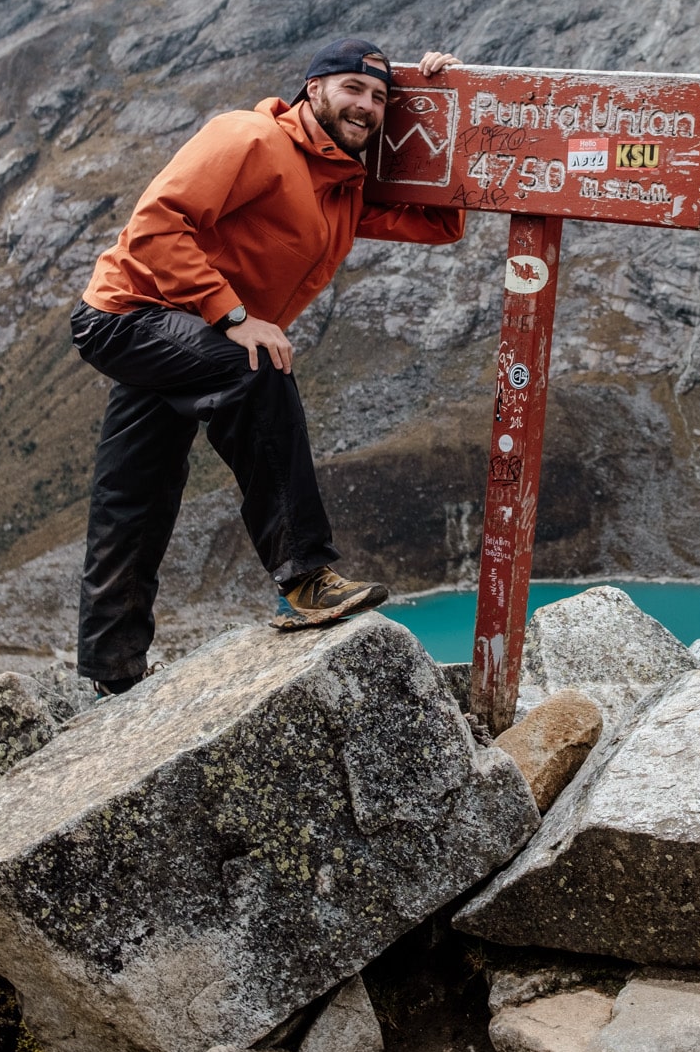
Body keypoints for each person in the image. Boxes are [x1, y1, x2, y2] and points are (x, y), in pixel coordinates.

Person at [70, 36, 464, 695]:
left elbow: (439, 222)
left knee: (132, 505)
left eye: (379, 97)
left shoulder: (343, 187)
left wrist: (449, 98)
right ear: (315, 90)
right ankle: (303, 577)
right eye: (353, 90)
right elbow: (157, 223)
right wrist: (233, 317)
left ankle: (107, 677)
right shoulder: (250, 137)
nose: (367, 106)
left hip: (186, 345)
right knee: (257, 366)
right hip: (126, 316)